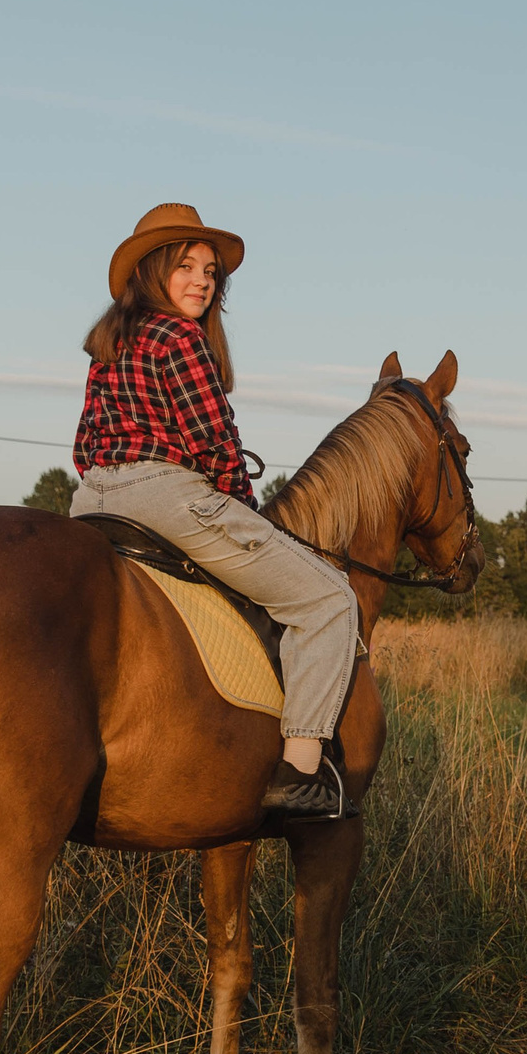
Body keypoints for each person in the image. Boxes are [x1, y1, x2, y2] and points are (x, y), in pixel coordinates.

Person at [69, 203, 359, 818]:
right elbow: (214, 444)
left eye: (210, 273)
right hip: (166, 497)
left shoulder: (107, 343)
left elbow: (81, 446)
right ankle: (300, 771)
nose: (202, 281)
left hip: (91, 497)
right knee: (329, 600)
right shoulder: (180, 337)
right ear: (152, 272)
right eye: (186, 267)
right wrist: (247, 510)